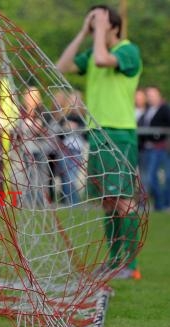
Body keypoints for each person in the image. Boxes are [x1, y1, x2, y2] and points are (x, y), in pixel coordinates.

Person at [57, 4, 143, 279]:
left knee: (123, 200)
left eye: (100, 27)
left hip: (118, 134)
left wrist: (101, 28)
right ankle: (115, 260)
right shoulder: (94, 50)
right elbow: (62, 67)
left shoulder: (128, 50)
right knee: (108, 200)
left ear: (113, 27)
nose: (97, 32)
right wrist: (84, 31)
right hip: (97, 134)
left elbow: (103, 60)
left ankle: (129, 265)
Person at [139, 86, 170, 211]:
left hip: (159, 148)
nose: (150, 97)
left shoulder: (164, 109)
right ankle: (160, 204)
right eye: (149, 95)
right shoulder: (147, 110)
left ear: (159, 95)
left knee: (155, 177)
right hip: (147, 149)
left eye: (153, 94)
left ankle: (162, 204)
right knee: (148, 178)